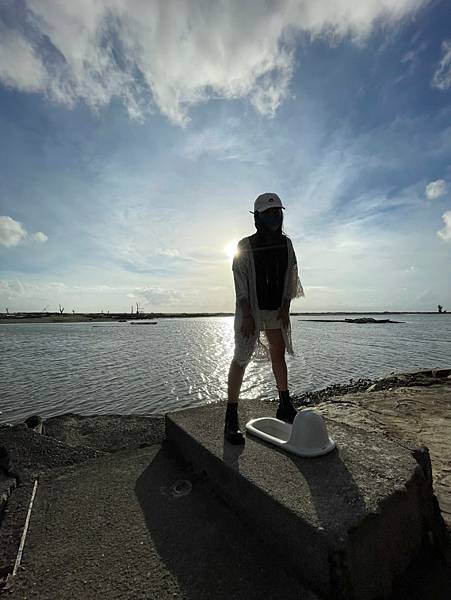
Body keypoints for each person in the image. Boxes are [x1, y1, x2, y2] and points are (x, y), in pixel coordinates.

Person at [224, 193, 305, 445]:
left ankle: (284, 404)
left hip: (275, 308)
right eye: (269, 213)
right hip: (251, 309)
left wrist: (285, 308)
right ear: (257, 217)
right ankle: (231, 417)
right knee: (241, 358)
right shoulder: (245, 245)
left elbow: (291, 275)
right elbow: (240, 283)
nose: (275, 217)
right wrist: (247, 314)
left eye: (277, 212)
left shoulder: (286, 244)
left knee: (278, 352)